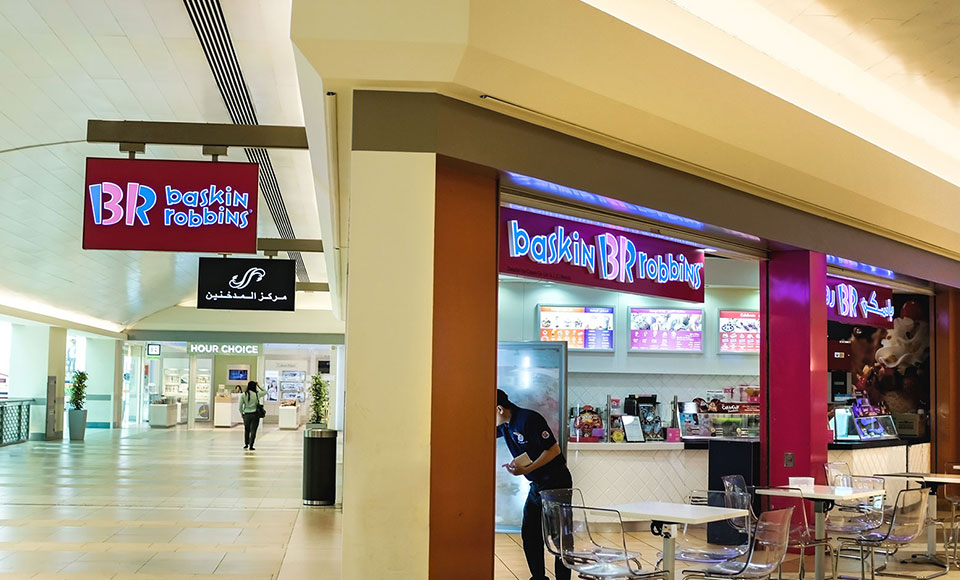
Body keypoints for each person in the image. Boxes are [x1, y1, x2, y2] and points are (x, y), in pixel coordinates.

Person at [496, 389, 572, 580]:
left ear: (499, 409)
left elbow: (554, 450)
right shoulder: (505, 426)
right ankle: (538, 577)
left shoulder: (528, 419)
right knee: (530, 533)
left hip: (556, 483)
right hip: (537, 485)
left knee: (559, 537)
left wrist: (527, 469)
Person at [240, 380, 266, 451]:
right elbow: (265, 391)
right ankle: (251, 445)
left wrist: (242, 413)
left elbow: (240, 406)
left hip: (246, 414)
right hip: (255, 415)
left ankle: (246, 444)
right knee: (253, 430)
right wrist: (259, 386)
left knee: (247, 430)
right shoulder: (257, 394)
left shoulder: (243, 395)